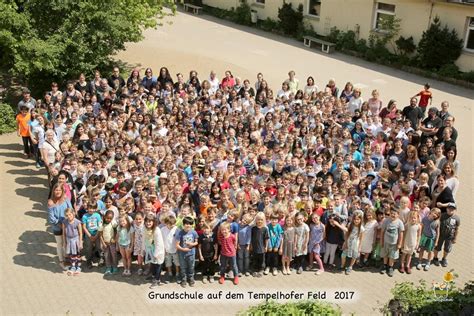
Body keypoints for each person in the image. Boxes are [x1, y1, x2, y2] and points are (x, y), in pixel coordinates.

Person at [48, 183, 72, 270]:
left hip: (67, 224)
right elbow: (52, 218)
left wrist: (69, 220)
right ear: (53, 191)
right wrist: (61, 225)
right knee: (60, 243)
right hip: (57, 227)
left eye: (59, 190)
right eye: (56, 190)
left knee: (67, 242)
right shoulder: (51, 202)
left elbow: (71, 209)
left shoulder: (65, 198)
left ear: (62, 191)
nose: (57, 192)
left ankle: (67, 258)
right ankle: (62, 261)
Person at [433, 203, 460, 268]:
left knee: (447, 249)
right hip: (441, 235)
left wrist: (455, 238)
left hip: (450, 236)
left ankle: (444, 259)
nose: (450, 210)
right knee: (437, 247)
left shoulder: (457, 218)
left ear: (455, 210)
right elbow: (437, 225)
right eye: (449, 208)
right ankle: (435, 258)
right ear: (446, 209)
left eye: (452, 209)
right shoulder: (442, 215)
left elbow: (457, 229)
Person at [380, 208, 404, 277]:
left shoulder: (400, 222)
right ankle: (384, 265)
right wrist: (381, 241)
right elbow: (382, 231)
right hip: (386, 242)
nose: (393, 215)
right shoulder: (386, 221)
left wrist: (399, 243)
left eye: (395, 214)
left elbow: (401, 234)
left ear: (398, 215)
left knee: (392, 256)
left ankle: (390, 267)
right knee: (385, 255)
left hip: (394, 244)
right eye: (391, 213)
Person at [175, 216, 199, 288]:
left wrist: (192, 244)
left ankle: (191, 278)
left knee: (191, 266)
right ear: (183, 224)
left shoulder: (194, 232)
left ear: (192, 225)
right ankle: (184, 279)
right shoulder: (180, 233)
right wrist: (183, 249)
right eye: (186, 224)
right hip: (182, 254)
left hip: (191, 253)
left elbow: (196, 242)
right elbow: (177, 245)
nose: (188, 225)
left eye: (190, 224)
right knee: (183, 267)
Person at [143, 213, 165, 289]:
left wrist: (156, 254)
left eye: (150, 221)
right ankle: (153, 276)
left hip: (157, 250)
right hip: (149, 249)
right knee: (152, 264)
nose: (148, 223)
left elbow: (159, 243)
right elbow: (144, 239)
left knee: (158, 265)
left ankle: (157, 279)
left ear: (153, 222)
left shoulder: (156, 230)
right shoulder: (145, 228)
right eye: (147, 221)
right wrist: (144, 249)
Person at [62, 208, 83, 275]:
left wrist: (80, 242)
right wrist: (64, 242)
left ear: (73, 213)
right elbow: (64, 233)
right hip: (69, 240)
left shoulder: (77, 222)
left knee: (77, 254)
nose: (69, 216)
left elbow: (80, 233)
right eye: (67, 215)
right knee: (71, 254)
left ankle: (78, 266)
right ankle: (73, 266)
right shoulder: (64, 222)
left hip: (75, 240)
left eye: (70, 214)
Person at [82, 202, 102, 270]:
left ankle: (101, 258)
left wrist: (96, 236)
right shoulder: (85, 216)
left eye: (93, 208)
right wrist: (90, 236)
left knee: (99, 247)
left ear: (96, 209)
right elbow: (84, 227)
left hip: (97, 234)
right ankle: (89, 260)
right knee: (88, 248)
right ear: (87, 208)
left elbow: (100, 226)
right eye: (90, 208)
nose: (91, 210)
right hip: (88, 235)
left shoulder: (97, 215)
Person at [161, 215, 180, 283]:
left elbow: (179, 240)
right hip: (167, 250)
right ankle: (169, 274)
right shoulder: (163, 230)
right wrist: (163, 250)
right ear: (166, 223)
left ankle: (177, 274)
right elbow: (161, 240)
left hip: (175, 250)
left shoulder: (177, 229)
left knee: (177, 263)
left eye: (173, 224)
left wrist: (178, 248)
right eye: (170, 224)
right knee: (168, 263)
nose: (172, 225)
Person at [99, 210, 118, 275]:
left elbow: (116, 231)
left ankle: (115, 266)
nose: (109, 219)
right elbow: (100, 235)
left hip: (112, 242)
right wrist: (103, 243)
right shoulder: (102, 224)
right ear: (104, 217)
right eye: (107, 218)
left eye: (110, 218)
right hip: (105, 243)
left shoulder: (113, 223)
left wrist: (114, 238)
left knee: (114, 255)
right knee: (106, 255)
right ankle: (108, 267)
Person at [250, 212, 268, 278]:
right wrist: (251, 245)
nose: (260, 221)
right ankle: (254, 269)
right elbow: (251, 238)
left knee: (262, 260)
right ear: (256, 220)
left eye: (261, 220)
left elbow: (266, 239)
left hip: (262, 248)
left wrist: (266, 246)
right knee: (254, 259)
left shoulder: (265, 229)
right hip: (254, 248)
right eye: (258, 219)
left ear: (263, 220)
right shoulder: (253, 229)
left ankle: (261, 270)